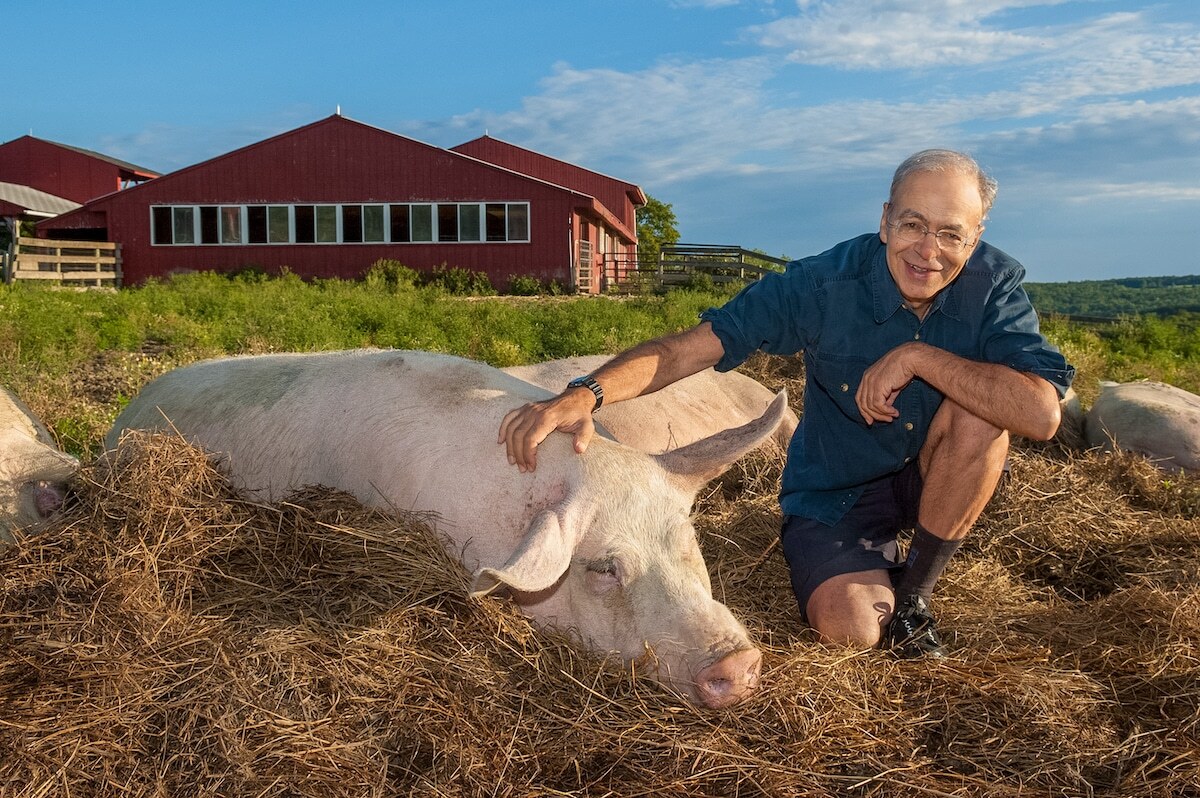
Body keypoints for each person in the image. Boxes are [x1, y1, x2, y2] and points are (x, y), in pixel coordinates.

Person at [498, 149, 1074, 657]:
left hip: (933, 470)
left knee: (982, 412)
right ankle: (866, 569)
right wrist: (587, 393)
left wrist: (917, 359)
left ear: (975, 237)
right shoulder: (821, 286)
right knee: (851, 632)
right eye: (912, 224)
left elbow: (1041, 414)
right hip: (837, 493)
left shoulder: (994, 286)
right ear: (883, 221)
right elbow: (688, 351)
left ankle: (916, 593)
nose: (929, 251)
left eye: (951, 234)